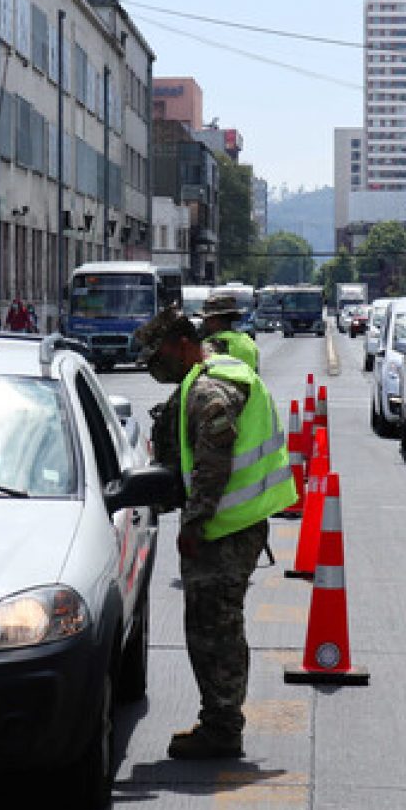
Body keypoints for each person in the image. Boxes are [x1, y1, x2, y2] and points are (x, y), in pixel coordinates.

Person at [134, 305, 296, 760]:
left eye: (159, 355)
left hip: (224, 528)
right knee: (218, 624)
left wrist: (195, 521)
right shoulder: (213, 372)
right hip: (233, 524)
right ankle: (222, 721)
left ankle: (222, 727)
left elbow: (213, 464)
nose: (154, 366)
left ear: (183, 344)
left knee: (214, 630)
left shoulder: (210, 390)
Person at [198, 293, 260, 372]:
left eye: (207, 320)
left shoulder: (209, 345)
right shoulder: (248, 341)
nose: (204, 323)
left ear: (215, 320)